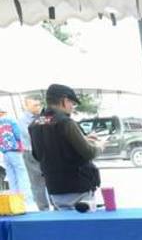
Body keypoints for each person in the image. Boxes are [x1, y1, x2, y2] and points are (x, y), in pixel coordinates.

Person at [28, 83, 101, 211]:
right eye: (72, 103)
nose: (72, 107)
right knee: (84, 228)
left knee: (65, 228)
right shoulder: (65, 122)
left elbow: (37, 155)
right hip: (78, 187)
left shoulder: (35, 123)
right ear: (64, 101)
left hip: (54, 189)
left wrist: (83, 139)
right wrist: (99, 146)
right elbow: (89, 152)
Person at [0, 109, 36, 209]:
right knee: (22, 175)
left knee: (11, 176)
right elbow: (18, 134)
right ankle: (26, 199)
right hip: (15, 150)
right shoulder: (11, 120)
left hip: (5, 152)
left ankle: (15, 199)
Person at [17, 95, 48, 210]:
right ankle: (43, 209)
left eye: (39, 104)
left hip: (45, 152)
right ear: (26, 106)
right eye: (35, 105)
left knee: (50, 179)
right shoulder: (23, 120)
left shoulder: (42, 117)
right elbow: (32, 136)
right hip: (31, 153)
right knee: (37, 183)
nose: (38, 107)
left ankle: (56, 207)